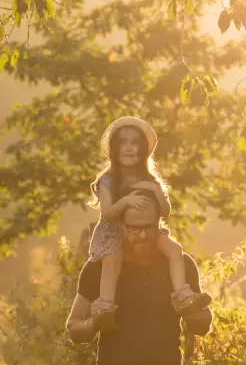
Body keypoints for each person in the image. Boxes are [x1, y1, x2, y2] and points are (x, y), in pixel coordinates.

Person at [66, 188, 213, 365]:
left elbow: (203, 324)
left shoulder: (180, 264)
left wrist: (189, 312)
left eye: (148, 228)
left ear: (160, 225)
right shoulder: (98, 268)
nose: (141, 236)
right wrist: (95, 322)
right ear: (121, 226)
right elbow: (74, 328)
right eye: (133, 229)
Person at [88, 115, 210, 329]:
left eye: (135, 143)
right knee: (112, 261)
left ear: (143, 150)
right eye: (123, 143)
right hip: (114, 231)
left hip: (148, 230)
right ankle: (105, 308)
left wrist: (157, 191)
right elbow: (108, 213)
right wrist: (126, 201)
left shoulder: (149, 179)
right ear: (114, 150)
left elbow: (165, 211)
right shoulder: (106, 181)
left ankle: (183, 295)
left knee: (174, 249)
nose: (129, 148)